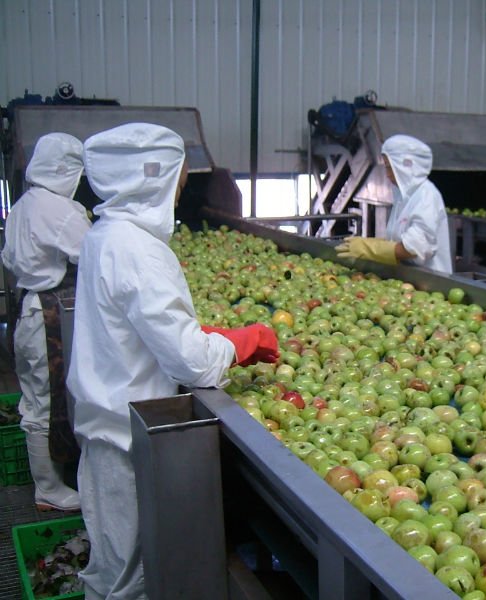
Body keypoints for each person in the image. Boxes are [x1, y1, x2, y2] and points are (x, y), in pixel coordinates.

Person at [67, 122, 280, 599]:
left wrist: (208, 335)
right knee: (133, 581)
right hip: (127, 442)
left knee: (110, 571)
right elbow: (193, 364)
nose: (183, 185)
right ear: (155, 175)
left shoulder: (106, 235)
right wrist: (243, 342)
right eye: (180, 175)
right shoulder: (140, 250)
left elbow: (138, 329)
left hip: (105, 426)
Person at [2, 132, 91, 511]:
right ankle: (49, 490)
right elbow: (93, 254)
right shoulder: (59, 210)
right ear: (67, 171)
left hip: (26, 310)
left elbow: (8, 259)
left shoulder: (22, 206)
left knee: (37, 395)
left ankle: (54, 476)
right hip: (48, 316)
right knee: (46, 401)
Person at [336, 134, 452, 274]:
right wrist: (372, 243)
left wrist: (369, 249)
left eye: (390, 167)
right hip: (409, 278)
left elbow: (413, 249)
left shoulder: (426, 196)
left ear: (406, 167)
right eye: (386, 167)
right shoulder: (403, 196)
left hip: (432, 282)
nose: (387, 174)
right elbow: (397, 239)